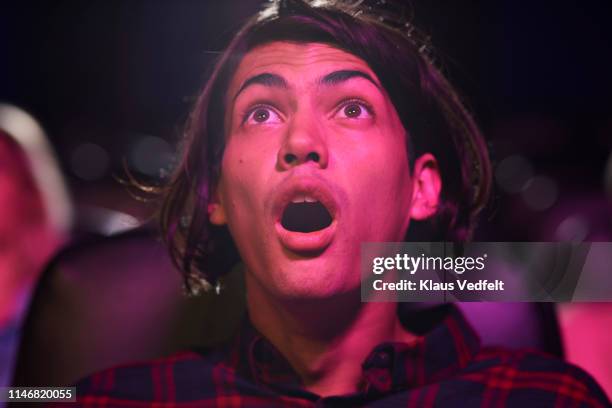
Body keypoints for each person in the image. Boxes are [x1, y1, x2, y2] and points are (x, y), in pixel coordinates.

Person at [61, 0, 610, 406]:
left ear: (422, 189)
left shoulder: (545, 398)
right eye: (261, 113)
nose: (300, 142)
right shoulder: (109, 400)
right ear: (217, 196)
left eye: (351, 108)